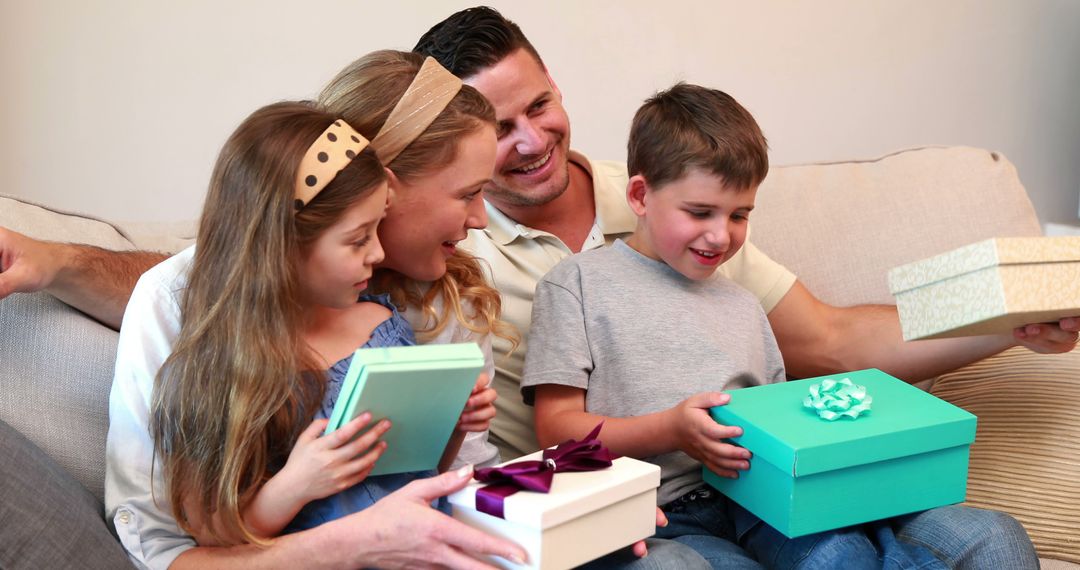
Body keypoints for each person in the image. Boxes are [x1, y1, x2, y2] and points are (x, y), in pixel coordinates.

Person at [105, 50, 704, 570]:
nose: (478, 223)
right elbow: (172, 545)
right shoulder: (185, 313)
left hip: (450, 543)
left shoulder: (444, 300)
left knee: (671, 559)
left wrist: (575, 510)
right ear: (385, 187)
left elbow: (451, 482)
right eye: (469, 194)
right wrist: (350, 542)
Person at [409, 6, 1080, 459]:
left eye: (539, 105)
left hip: (738, 489)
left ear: (556, 86)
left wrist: (1005, 322)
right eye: (499, 129)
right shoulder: (446, 250)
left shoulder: (672, 200)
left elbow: (832, 341)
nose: (532, 140)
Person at [522, 81, 1037, 569]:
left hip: (763, 498)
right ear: (639, 196)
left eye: (740, 215)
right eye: (700, 211)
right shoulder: (577, 287)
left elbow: (779, 425)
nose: (720, 236)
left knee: (881, 550)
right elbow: (555, 429)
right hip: (664, 511)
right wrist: (671, 429)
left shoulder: (744, 304)